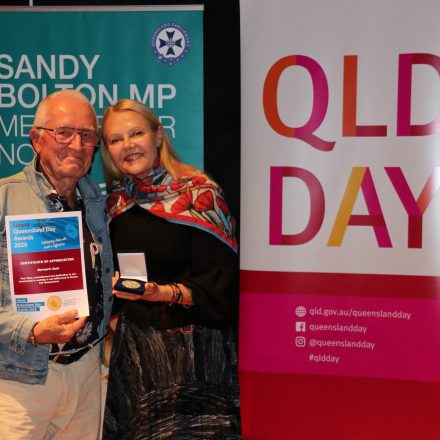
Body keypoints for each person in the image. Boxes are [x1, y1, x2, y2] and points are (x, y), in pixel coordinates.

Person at [101, 99, 241, 439]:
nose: (128, 145)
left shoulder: (200, 194)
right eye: (116, 139)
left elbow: (220, 287)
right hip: (136, 358)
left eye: (136, 133)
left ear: (158, 135)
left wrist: (162, 293)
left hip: (196, 356)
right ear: (107, 151)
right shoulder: (115, 205)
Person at [0, 90, 114, 439]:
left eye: (87, 135)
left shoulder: (96, 202)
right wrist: (31, 331)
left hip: (86, 372)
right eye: (63, 132)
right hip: (19, 380)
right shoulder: (4, 198)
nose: (76, 145)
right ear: (36, 139)